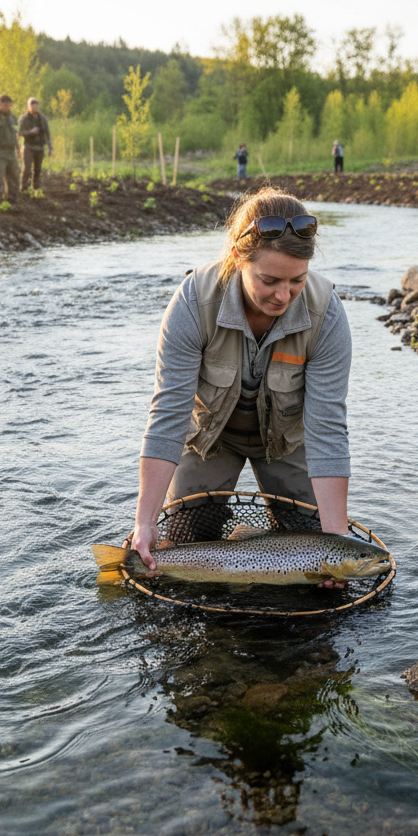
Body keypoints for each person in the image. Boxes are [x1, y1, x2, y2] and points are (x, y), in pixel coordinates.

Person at [129, 187, 353, 584]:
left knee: (312, 546)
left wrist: (334, 540)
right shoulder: (193, 303)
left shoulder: (327, 315)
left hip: (288, 442)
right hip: (210, 439)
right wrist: (144, 523)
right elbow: (168, 418)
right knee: (182, 541)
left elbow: (328, 432)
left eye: (297, 280)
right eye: (269, 280)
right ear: (237, 257)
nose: (284, 295)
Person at [18, 97, 53, 191]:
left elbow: (47, 133)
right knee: (27, 169)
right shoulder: (24, 118)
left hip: (40, 147)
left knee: (38, 169)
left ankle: (36, 187)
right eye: (32, 105)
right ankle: (24, 187)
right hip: (28, 146)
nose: (35, 107)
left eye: (36, 105)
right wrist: (30, 132)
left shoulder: (42, 118)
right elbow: (19, 132)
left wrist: (50, 147)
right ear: (28, 107)